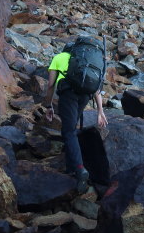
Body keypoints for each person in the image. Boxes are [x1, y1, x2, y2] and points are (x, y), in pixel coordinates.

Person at [43, 47, 108, 183]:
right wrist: (100, 111)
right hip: (84, 96)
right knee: (72, 129)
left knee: (68, 132)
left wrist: (48, 105)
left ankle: (79, 168)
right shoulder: (86, 62)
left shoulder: (59, 57)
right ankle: (70, 169)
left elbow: (50, 85)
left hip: (68, 94)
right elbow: (96, 89)